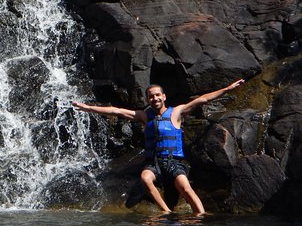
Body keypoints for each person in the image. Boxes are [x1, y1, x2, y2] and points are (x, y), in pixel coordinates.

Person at [73, 79, 245, 215]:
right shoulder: (143, 116)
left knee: (185, 187)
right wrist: (88, 108)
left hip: (173, 162)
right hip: (153, 163)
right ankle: (165, 211)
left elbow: (203, 99)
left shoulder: (176, 113)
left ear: (163, 97)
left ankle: (200, 215)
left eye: (157, 95)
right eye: (151, 96)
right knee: (145, 178)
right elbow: (116, 111)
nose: (154, 98)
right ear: (148, 99)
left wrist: (228, 89)